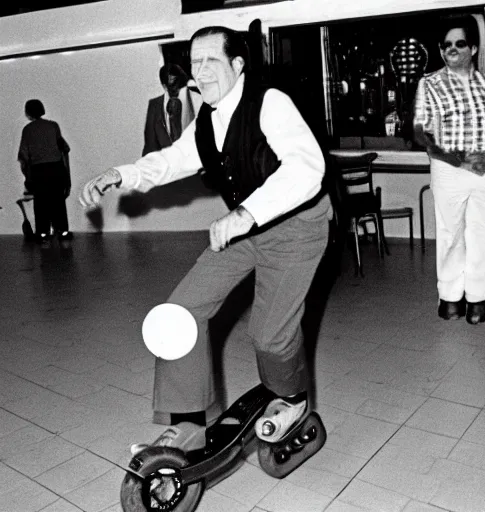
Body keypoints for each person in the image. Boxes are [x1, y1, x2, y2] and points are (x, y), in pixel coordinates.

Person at [80, 25, 331, 446]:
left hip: (296, 226)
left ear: (237, 64)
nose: (201, 71)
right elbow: (173, 159)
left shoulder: (269, 103)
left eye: (211, 60)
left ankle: (291, 397)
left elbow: (307, 168)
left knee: (269, 333)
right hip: (245, 226)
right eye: (195, 62)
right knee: (178, 312)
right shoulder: (207, 120)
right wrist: (120, 174)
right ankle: (190, 424)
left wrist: (245, 213)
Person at [413, 15, 485, 325]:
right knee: (450, 233)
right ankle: (451, 298)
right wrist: (451, 156)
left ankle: (479, 297)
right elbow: (419, 129)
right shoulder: (429, 83)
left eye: (458, 44)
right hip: (449, 168)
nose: (450, 50)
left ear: (473, 47)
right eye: (445, 45)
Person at [18, 99, 72, 249]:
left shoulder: (27, 130)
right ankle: (62, 231)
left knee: (41, 203)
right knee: (58, 201)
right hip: (56, 168)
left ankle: (43, 233)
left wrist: (27, 177)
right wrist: (67, 177)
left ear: (28, 112)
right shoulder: (53, 126)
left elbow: (24, 156)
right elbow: (64, 149)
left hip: (38, 170)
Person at [142, 62, 202, 156]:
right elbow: (150, 147)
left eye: (180, 84)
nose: (178, 89)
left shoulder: (199, 100)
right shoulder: (154, 106)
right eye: (173, 85)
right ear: (164, 86)